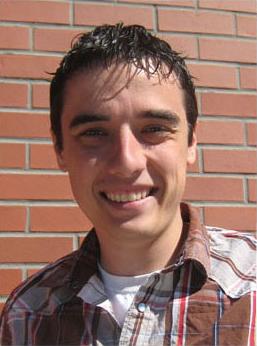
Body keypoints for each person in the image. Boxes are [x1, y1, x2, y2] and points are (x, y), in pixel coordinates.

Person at [0, 23, 256, 346]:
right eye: (94, 132)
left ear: (191, 141)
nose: (127, 162)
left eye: (154, 128)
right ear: (59, 150)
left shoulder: (252, 293)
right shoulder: (27, 315)